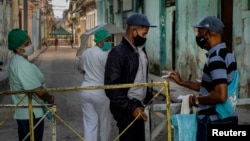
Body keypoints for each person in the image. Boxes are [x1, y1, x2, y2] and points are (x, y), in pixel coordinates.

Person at [169, 16, 238, 141]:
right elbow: (211, 87)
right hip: (228, 117)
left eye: (199, 33)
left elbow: (220, 95)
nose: (198, 37)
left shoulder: (215, 58)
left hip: (214, 121)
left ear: (208, 34)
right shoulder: (228, 54)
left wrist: (195, 100)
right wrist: (181, 82)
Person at [104, 13, 156, 141]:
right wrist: (131, 108)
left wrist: (148, 93)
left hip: (142, 108)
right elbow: (111, 87)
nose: (145, 37)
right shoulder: (117, 53)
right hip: (128, 112)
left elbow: (141, 77)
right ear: (133, 31)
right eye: (144, 34)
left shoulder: (141, 50)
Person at [7, 28, 54, 141]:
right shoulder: (22, 65)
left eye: (30, 42)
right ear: (18, 48)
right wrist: (49, 97)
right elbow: (38, 91)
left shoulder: (15, 61)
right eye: (26, 44)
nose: (30, 46)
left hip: (23, 113)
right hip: (31, 114)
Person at [79, 28, 112, 141]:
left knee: (89, 123)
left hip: (85, 89)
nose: (109, 42)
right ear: (101, 41)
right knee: (105, 122)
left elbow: (82, 69)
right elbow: (110, 74)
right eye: (107, 40)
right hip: (100, 91)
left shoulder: (86, 53)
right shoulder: (105, 56)